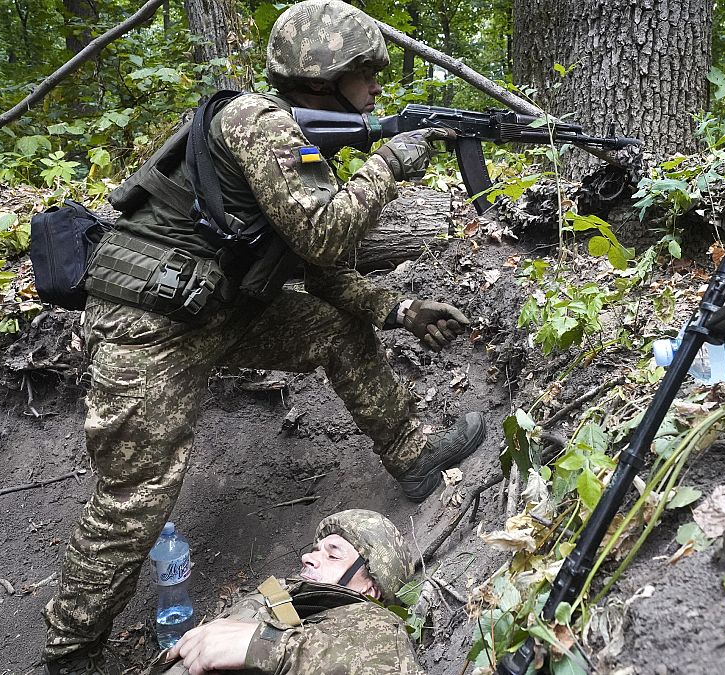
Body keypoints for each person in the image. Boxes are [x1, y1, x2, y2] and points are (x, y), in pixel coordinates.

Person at [42, 1, 486, 672]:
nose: (376, 90)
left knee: (335, 328)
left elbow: (329, 275)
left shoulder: (301, 152)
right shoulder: (259, 122)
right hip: (148, 332)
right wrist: (389, 162)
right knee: (134, 500)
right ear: (323, 77)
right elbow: (327, 232)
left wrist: (400, 309)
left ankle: (414, 457)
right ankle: (70, 647)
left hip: (216, 311)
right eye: (367, 75)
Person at [155, 510, 423, 675]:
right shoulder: (282, 594)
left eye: (332, 555)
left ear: (370, 588)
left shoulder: (373, 625)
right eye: (316, 550)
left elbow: (382, 665)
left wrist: (265, 644)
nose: (308, 557)